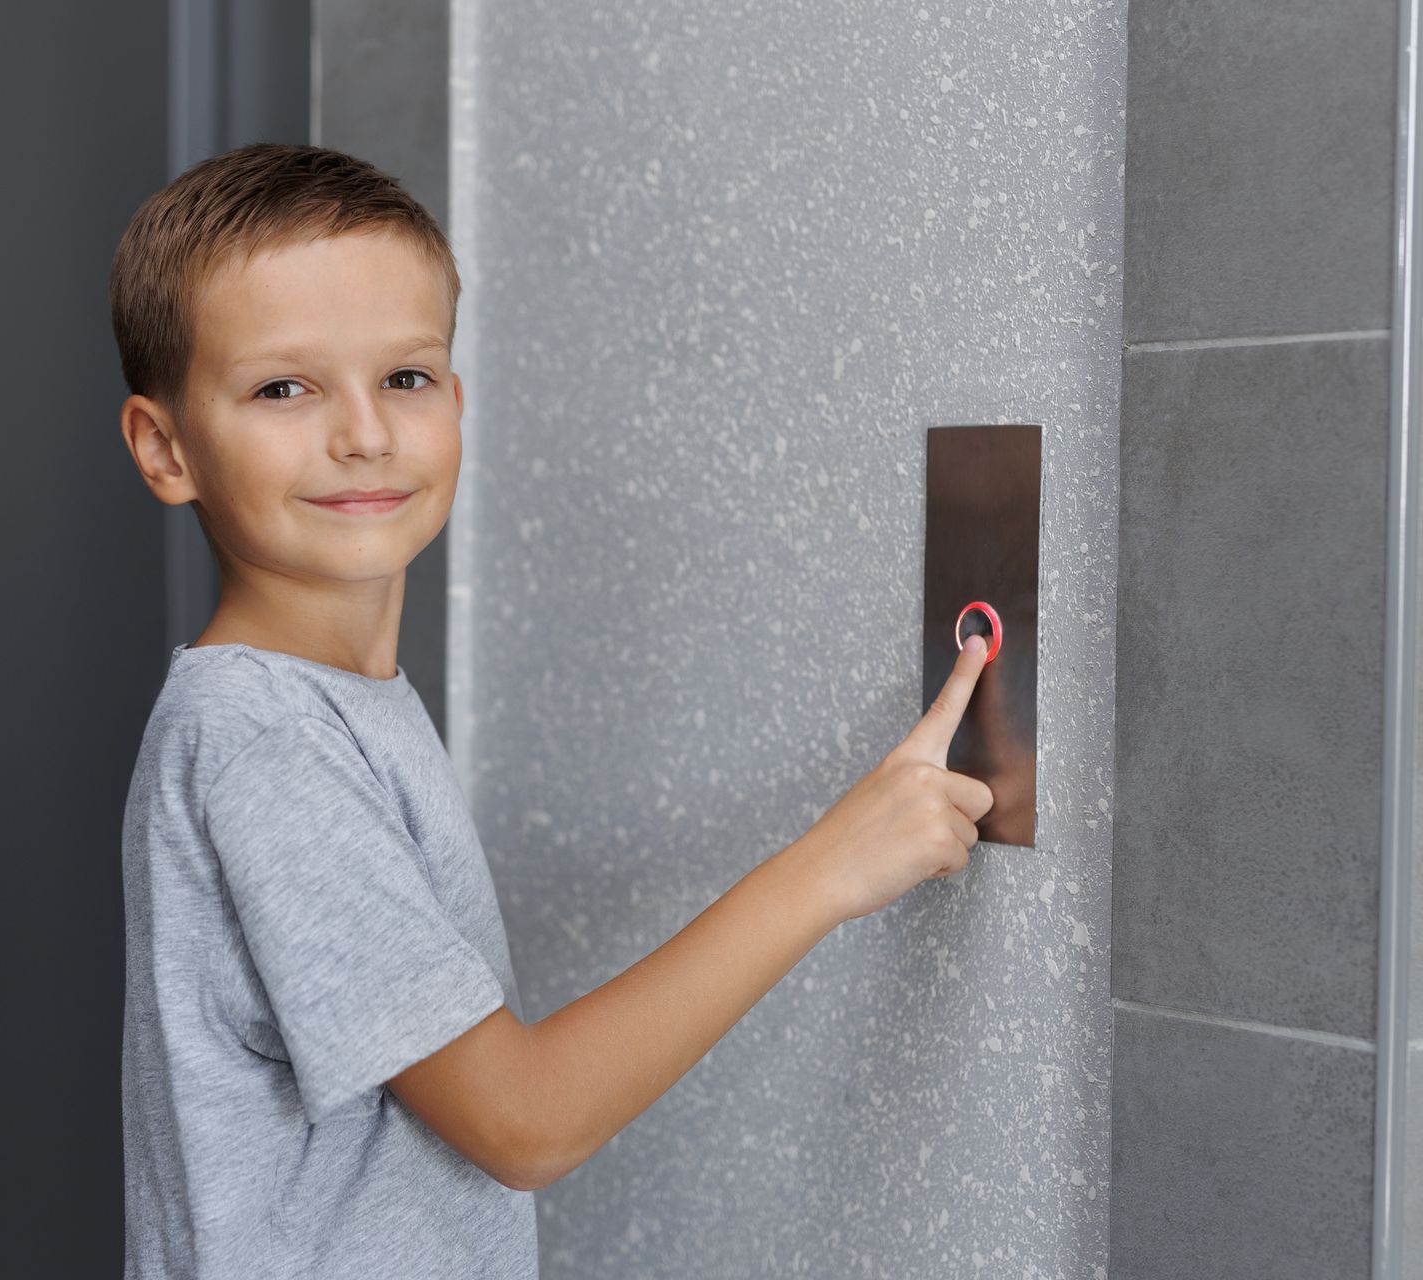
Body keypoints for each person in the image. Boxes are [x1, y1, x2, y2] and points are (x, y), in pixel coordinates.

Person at [108, 141, 996, 1279]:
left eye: (406, 377)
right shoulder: (263, 741)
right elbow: (522, 1121)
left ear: (456, 401)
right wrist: (831, 866)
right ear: (166, 446)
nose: (364, 432)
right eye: (285, 387)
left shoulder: (334, 707)